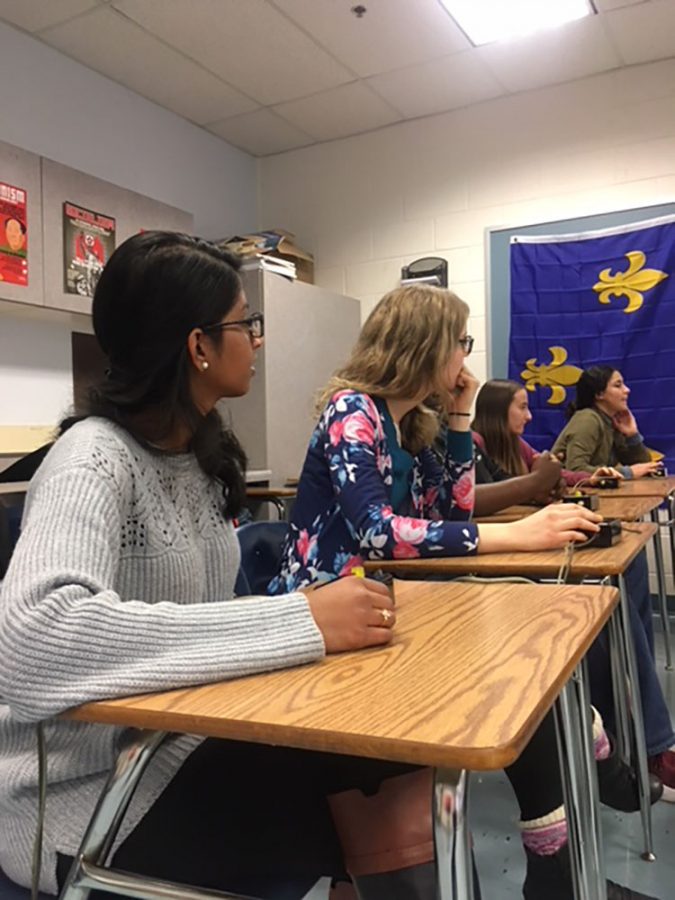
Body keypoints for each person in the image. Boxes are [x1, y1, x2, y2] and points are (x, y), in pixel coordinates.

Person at [0, 232, 449, 900]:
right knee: (352, 796)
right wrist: (298, 620)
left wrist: (302, 618)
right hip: (88, 798)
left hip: (178, 745)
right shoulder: (91, 459)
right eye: (247, 325)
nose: (258, 341)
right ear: (198, 346)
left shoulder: (198, 461)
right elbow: (33, 640)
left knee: (387, 750)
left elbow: (198, 626)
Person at [271, 284, 659, 900]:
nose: (465, 360)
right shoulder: (353, 411)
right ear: (424, 347)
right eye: (460, 345)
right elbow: (378, 534)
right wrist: (518, 535)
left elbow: (445, 506)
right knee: (514, 669)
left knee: (529, 658)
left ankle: (560, 851)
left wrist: (457, 418)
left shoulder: (407, 422)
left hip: (389, 601)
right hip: (332, 613)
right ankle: (582, 793)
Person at [473, 379, 675, 801]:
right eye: (522, 407)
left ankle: (629, 723)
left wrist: (631, 438)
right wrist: (541, 485)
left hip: (517, 546)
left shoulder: (526, 442)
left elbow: (562, 473)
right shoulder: (582, 422)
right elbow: (471, 501)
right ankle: (648, 743)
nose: (530, 416)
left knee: (625, 575)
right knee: (605, 606)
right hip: (500, 558)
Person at [552, 366, 661, 479]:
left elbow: (644, 467)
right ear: (599, 394)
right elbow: (575, 470)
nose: (627, 390)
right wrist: (627, 473)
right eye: (618, 385)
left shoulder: (611, 421)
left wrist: (632, 435)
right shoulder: (587, 419)